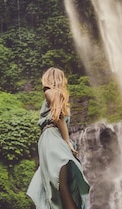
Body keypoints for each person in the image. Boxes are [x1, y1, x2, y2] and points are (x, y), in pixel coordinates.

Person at [27, 67, 90, 209]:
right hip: (53, 138)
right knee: (60, 186)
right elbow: (59, 116)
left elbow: (59, 116)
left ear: (49, 78)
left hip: (53, 139)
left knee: (62, 186)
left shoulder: (51, 93)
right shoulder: (51, 93)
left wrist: (66, 141)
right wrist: (67, 141)